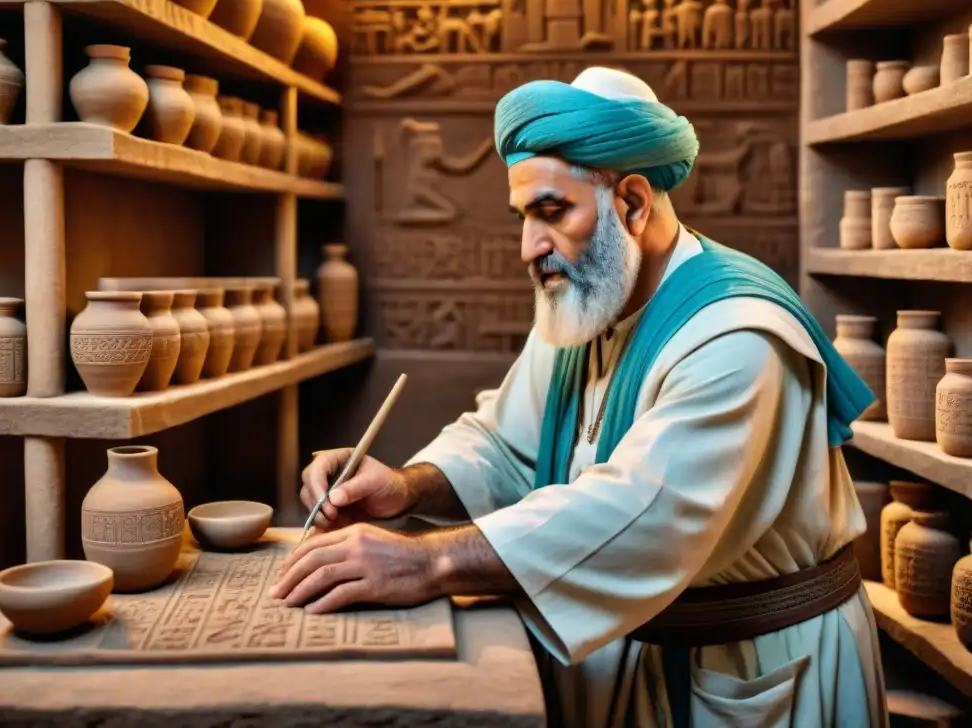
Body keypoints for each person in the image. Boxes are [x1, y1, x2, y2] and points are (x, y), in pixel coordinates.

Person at [271, 66, 888, 728]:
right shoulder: (590, 302)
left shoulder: (736, 334)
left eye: (551, 212)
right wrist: (407, 486)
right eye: (523, 217)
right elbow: (506, 444)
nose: (529, 247)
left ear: (631, 203)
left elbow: (641, 516)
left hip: (748, 674)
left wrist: (429, 560)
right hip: (627, 665)